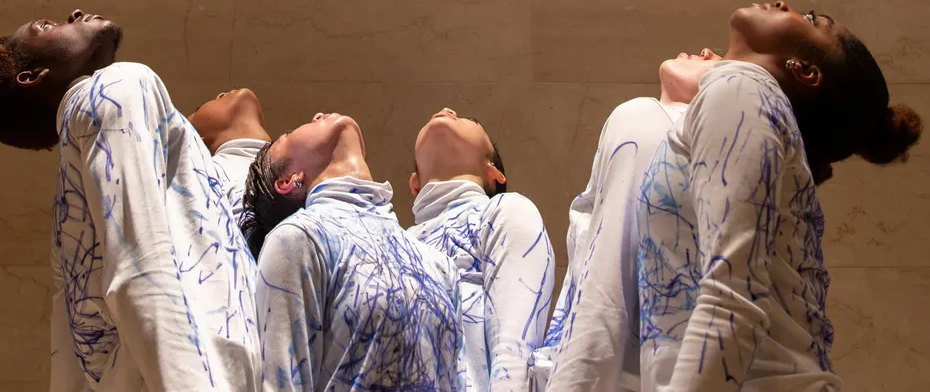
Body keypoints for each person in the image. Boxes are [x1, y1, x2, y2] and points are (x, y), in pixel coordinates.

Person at [0, 10, 259, 392]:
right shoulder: (115, 87)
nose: (71, 14)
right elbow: (140, 265)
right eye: (46, 26)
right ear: (32, 76)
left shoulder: (66, 216)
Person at [637, 2, 922, 392]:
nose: (784, 5)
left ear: (805, 70)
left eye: (811, 20)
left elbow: (732, 299)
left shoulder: (741, 90)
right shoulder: (743, 101)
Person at [535, 51, 721, 392]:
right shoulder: (692, 144)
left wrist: (574, 378)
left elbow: (606, 273)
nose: (706, 51)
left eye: (720, 59)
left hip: (620, 372)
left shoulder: (644, 117)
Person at [244, 109, 465, 390]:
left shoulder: (439, 265)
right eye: (287, 135)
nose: (317, 114)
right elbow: (283, 383)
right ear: (289, 180)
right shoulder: (298, 240)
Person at [405, 109, 553, 392]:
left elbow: (514, 352)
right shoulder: (399, 240)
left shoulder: (505, 211)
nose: (446, 111)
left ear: (493, 173)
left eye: (468, 120)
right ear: (415, 183)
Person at [191, 86, 272, 198]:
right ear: (199, 139)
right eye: (198, 109)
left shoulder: (298, 161)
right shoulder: (203, 178)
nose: (220, 94)